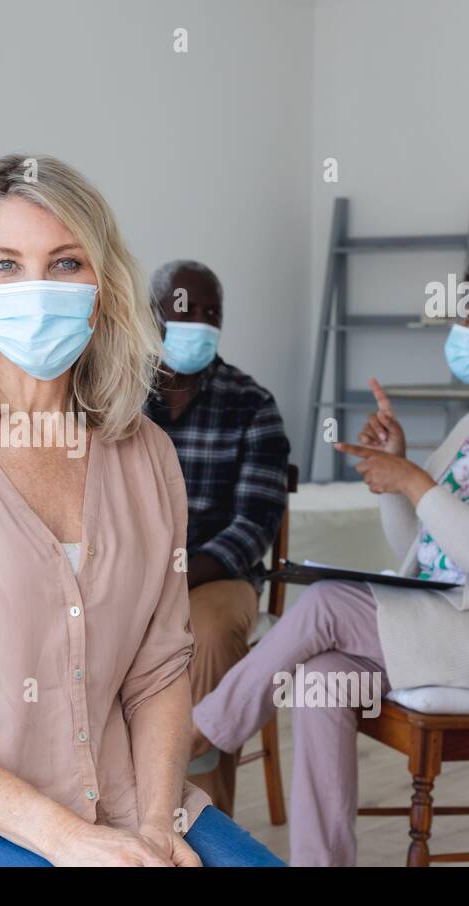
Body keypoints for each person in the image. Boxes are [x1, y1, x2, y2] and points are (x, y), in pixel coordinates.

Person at [0, 155, 283, 866]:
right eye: (7, 264)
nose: (37, 288)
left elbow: (160, 670)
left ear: (104, 288)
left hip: (128, 799)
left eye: (66, 263)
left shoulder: (147, 458)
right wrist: (64, 838)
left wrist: (156, 828)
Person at [192, 252, 469, 865]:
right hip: (459, 618)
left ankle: (195, 735)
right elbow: (420, 549)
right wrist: (395, 474)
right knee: (323, 676)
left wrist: (413, 478)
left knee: (329, 603)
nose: (458, 333)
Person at [145, 259, 290, 815]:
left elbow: (255, 524)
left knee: (204, 630)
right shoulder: (113, 398)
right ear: (152, 316)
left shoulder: (251, 404)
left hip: (217, 576)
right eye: (186, 310)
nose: (200, 322)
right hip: (128, 572)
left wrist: (177, 576)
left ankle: (201, 818)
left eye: (213, 312)